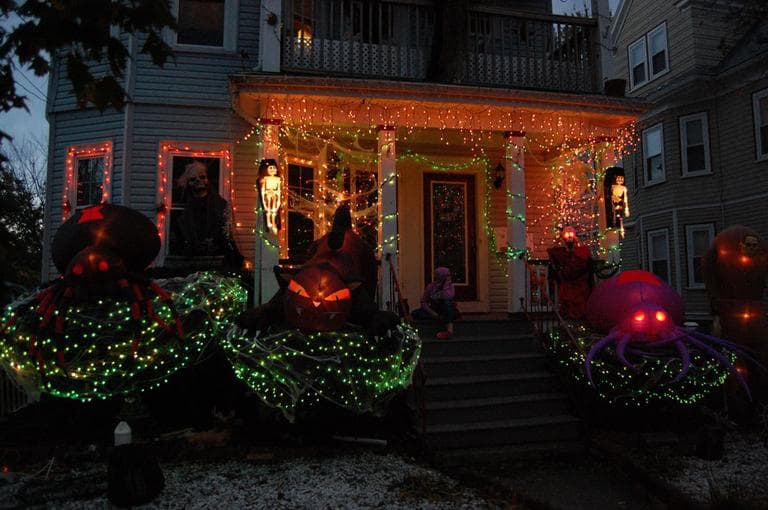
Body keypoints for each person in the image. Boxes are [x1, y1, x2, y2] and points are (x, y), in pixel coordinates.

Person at [173, 160, 243, 269]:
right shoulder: (184, 210)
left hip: (217, 259)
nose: (198, 181)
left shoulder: (220, 205)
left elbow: (226, 234)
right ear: (188, 184)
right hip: (193, 260)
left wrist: (214, 241)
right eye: (193, 179)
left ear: (207, 180)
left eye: (202, 177)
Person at [547, 226, 594, 320]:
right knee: (567, 300)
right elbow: (553, 254)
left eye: (571, 235)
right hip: (567, 283)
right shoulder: (560, 253)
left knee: (580, 301)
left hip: (580, 283)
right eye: (567, 235)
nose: (569, 237)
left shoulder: (582, 252)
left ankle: (580, 318)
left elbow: (586, 264)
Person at [414, 267, 458, 339]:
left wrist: (446, 286)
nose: (435, 276)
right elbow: (423, 301)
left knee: (447, 303)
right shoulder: (431, 286)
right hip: (434, 309)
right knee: (416, 313)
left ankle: (449, 331)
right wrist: (431, 312)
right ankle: (440, 318)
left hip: (445, 308)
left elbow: (448, 296)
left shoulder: (450, 286)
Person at [259, 159, 281, 235]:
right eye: (270, 168)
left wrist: (279, 201)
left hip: (275, 195)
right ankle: (268, 222)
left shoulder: (278, 180)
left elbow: (278, 190)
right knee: (268, 210)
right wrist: (263, 200)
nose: (272, 169)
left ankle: (274, 223)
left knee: (274, 210)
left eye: (274, 168)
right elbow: (262, 190)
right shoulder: (265, 179)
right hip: (267, 195)